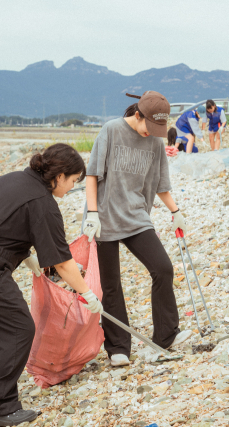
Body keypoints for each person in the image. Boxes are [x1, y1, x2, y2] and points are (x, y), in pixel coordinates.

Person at [0, 143, 102, 426]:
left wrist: (27, 257)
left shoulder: (11, 179)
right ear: (60, 175)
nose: (71, 188)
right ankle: (3, 406)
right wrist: (86, 292)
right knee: (16, 328)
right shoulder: (43, 202)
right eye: (74, 181)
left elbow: (0, 222)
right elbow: (63, 263)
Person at [82, 91, 192, 368]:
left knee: (163, 268)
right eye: (148, 126)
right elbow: (93, 175)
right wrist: (92, 213)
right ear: (138, 115)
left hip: (136, 216)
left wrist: (175, 212)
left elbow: (160, 184)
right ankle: (118, 347)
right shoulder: (111, 130)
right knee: (111, 285)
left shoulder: (154, 140)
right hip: (104, 217)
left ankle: (166, 336)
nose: (150, 134)